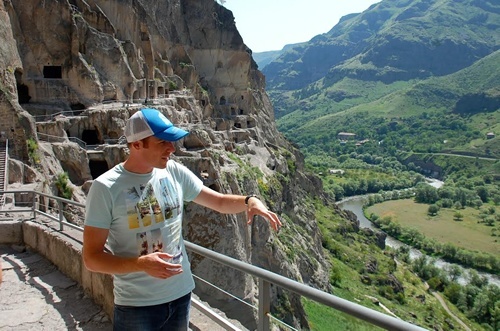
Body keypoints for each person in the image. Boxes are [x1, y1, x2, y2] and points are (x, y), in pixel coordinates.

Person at [83, 108, 282, 331]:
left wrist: (249, 200)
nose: (172, 148)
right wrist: (139, 264)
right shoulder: (105, 188)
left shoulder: (173, 172)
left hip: (180, 295)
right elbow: (92, 258)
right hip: (137, 305)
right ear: (137, 145)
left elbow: (218, 201)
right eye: (162, 142)